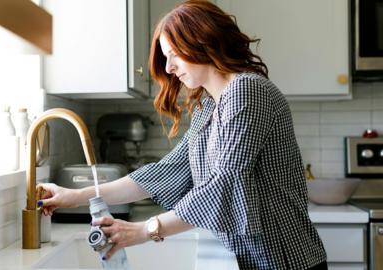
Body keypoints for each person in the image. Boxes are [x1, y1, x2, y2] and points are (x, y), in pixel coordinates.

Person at [37, 1, 327, 269]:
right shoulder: (209, 106)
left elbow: (224, 183)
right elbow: (164, 173)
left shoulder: (247, 90)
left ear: (202, 40)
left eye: (173, 55)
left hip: (286, 260)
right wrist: (75, 196)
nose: (169, 68)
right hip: (248, 259)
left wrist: (145, 230)